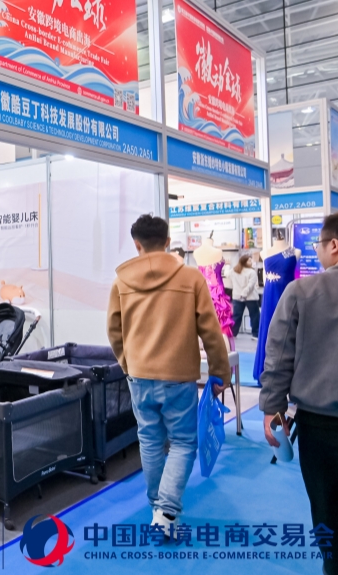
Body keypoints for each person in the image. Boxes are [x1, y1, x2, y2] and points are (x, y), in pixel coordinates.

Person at [107, 214, 228, 535]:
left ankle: (156, 506)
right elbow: (211, 331)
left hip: (139, 376)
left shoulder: (121, 282)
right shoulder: (190, 278)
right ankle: (167, 509)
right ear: (167, 241)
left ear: (137, 245)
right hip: (179, 376)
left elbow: (114, 332)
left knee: (149, 440)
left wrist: (128, 364)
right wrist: (220, 372)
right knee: (184, 442)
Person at [260, 211, 338, 575]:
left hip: (318, 426)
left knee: (325, 512)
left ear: (334, 245)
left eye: (319, 245)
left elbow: (279, 355)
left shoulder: (301, 292)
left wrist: (273, 408)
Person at [230, 254, 260, 339]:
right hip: (251, 297)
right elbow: (251, 285)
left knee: (236, 316)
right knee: (254, 316)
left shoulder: (234, 271)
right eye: (249, 260)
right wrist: (244, 294)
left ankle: (233, 334)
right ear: (244, 262)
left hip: (237, 296)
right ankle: (255, 334)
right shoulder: (252, 272)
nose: (251, 262)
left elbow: (227, 275)